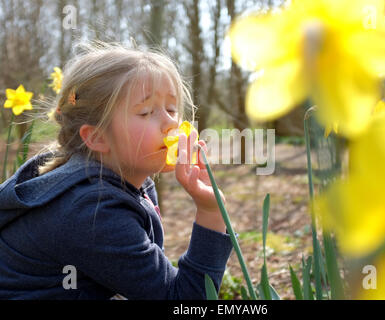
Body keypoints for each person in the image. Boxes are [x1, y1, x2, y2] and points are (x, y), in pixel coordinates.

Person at [0, 41, 233, 299]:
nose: (171, 124)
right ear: (98, 137)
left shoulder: (129, 182)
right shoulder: (93, 211)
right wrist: (211, 213)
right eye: (146, 112)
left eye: (171, 109)